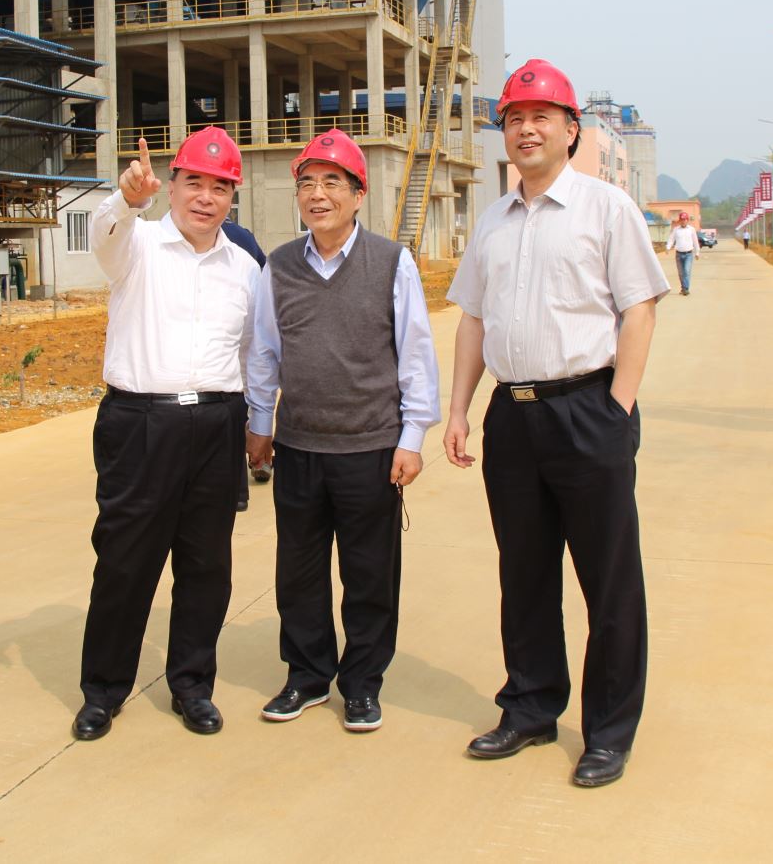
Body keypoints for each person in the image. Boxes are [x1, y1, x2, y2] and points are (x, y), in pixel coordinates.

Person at [443, 60, 668, 788]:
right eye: (514, 118)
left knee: (609, 579)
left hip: (587, 409)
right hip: (513, 418)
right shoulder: (492, 220)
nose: (526, 129)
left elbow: (639, 309)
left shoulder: (606, 208)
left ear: (572, 130)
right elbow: (473, 320)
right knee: (525, 573)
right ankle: (531, 706)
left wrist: (618, 407)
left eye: (542, 116)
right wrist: (460, 409)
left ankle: (609, 731)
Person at [246, 130, 440, 732]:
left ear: (359, 194)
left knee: (369, 575)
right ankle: (306, 676)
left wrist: (412, 438)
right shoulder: (278, 266)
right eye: (307, 183)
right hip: (299, 446)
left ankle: (361, 684)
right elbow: (264, 351)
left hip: (371, 448)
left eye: (332, 182)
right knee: (298, 572)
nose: (318, 194)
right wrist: (260, 424)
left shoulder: (391, 262)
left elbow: (416, 353)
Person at [73, 126, 261, 741]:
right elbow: (103, 234)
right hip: (140, 424)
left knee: (206, 566)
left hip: (217, 422)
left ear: (233, 196)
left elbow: (251, 354)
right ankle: (103, 691)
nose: (205, 197)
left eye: (219, 187)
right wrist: (128, 199)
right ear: (173, 186)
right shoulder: (137, 244)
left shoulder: (245, 269)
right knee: (125, 563)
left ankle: (192, 686)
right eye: (193, 182)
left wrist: (255, 422)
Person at [220, 218, 273, 499]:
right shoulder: (244, 236)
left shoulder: (191, 234)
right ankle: (260, 458)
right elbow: (265, 270)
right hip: (246, 322)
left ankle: (237, 470)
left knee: (227, 396)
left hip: (221, 329)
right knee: (250, 388)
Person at [665, 211, 699, 296]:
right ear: (679, 220)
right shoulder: (676, 230)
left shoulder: (691, 230)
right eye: (682, 220)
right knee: (681, 273)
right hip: (679, 254)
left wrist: (697, 252)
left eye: (684, 219)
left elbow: (695, 241)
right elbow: (671, 239)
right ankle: (683, 287)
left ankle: (685, 289)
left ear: (687, 220)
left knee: (686, 271)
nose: (683, 221)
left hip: (688, 254)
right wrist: (668, 247)